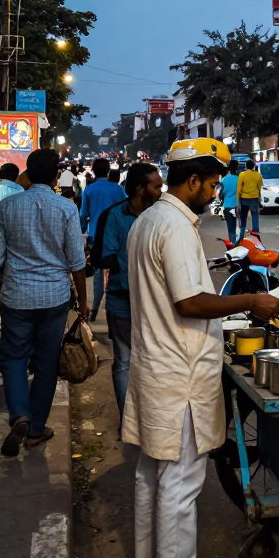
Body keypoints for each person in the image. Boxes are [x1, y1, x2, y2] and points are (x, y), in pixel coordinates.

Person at [123, 139, 279, 558]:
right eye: (212, 184)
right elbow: (189, 302)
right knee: (180, 484)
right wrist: (250, 303)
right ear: (191, 181)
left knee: (151, 475)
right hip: (180, 375)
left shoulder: (148, 220)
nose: (216, 193)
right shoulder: (171, 225)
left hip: (156, 367)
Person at [0, 148, 89, 457]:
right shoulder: (66, 208)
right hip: (54, 298)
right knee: (46, 364)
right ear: (57, 175)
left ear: (27, 173)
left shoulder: (8, 206)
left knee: (12, 358)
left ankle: (20, 414)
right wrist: (82, 301)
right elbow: (76, 261)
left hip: (17, 297)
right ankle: (36, 430)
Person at [99, 162, 163, 417]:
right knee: (124, 360)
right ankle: (128, 419)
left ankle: (150, 417)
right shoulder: (115, 215)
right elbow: (107, 255)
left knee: (154, 359)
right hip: (122, 298)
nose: (161, 190)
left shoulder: (161, 214)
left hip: (155, 301)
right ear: (140, 189)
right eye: (156, 186)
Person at [80, 157, 126, 320]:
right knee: (116, 271)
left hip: (95, 236)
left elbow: (83, 215)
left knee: (98, 274)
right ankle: (113, 310)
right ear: (108, 171)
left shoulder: (89, 190)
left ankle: (94, 310)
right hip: (117, 236)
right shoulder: (118, 190)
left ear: (93, 171)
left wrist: (83, 231)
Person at [237, 159, 263, 236]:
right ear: (253, 166)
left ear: (246, 166)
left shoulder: (242, 174)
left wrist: (239, 197)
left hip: (244, 198)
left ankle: (243, 229)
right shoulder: (258, 175)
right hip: (254, 197)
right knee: (254, 214)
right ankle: (255, 230)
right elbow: (260, 186)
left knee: (243, 214)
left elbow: (239, 188)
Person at [218, 159, 240, 244]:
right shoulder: (240, 179)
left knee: (231, 228)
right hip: (239, 206)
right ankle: (240, 244)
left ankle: (233, 244)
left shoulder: (225, 179)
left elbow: (222, 192)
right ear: (237, 167)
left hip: (228, 206)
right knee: (240, 226)